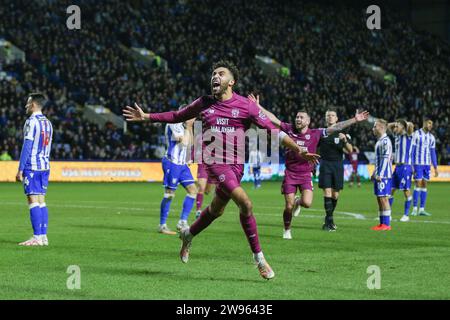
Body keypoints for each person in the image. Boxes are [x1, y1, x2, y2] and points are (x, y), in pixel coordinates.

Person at [123, 60, 320, 280]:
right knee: (246, 203)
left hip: (237, 166)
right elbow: (177, 116)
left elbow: (273, 131)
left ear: (231, 81)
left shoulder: (246, 106)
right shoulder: (204, 102)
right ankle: (259, 259)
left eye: (220, 73)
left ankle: (188, 234)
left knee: (216, 210)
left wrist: (298, 150)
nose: (215, 76)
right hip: (215, 161)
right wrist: (147, 117)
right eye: (213, 73)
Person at [249, 95, 369, 239]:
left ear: (308, 121)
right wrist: (258, 106)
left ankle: (298, 202)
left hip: (306, 174)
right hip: (290, 173)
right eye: (297, 117)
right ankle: (287, 229)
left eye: (301, 117)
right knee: (288, 206)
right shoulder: (289, 129)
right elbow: (272, 119)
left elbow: (336, 127)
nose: (298, 119)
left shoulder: (315, 133)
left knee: (307, 203)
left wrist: (354, 120)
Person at [16, 93, 53, 246]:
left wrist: (20, 168)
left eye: (28, 102)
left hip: (32, 165)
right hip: (45, 165)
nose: (26, 105)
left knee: (32, 200)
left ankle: (37, 237)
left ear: (33, 104)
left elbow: (27, 145)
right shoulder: (48, 123)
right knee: (41, 201)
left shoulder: (31, 122)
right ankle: (43, 236)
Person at [158, 110, 197, 235]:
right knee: (169, 194)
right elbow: (183, 142)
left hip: (182, 165)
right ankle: (162, 225)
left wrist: (189, 128)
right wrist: (189, 126)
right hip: (172, 162)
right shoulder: (173, 123)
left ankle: (182, 222)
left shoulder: (185, 126)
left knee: (193, 190)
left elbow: (190, 144)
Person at [318, 109, 354, 232]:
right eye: (328, 115)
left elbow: (350, 150)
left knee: (335, 194)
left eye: (332, 115)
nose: (330, 117)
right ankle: (329, 222)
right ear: (325, 118)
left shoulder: (342, 133)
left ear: (337, 118)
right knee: (327, 192)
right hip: (325, 165)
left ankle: (328, 219)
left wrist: (344, 140)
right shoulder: (321, 133)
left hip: (338, 166)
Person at [387, 119, 414, 222]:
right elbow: (387, 126)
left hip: (405, 167)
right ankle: (388, 214)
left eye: (397, 127)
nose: (395, 128)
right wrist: (396, 123)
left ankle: (406, 215)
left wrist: (404, 123)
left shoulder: (408, 135)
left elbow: (411, 125)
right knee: (390, 190)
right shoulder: (397, 136)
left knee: (406, 191)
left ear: (403, 127)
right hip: (397, 167)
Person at [411, 119, 439, 216]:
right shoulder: (416, 134)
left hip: (427, 164)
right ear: (424, 123)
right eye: (429, 123)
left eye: (432, 124)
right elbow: (413, 151)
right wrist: (412, 165)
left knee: (424, 185)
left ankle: (421, 209)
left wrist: (435, 167)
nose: (430, 125)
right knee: (418, 184)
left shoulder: (431, 137)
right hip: (418, 163)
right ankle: (414, 208)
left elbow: (432, 152)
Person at [371, 119, 393, 231]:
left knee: (384, 199)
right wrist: (374, 172)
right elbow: (378, 161)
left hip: (384, 175)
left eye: (375, 126)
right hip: (379, 174)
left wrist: (380, 174)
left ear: (381, 127)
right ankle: (381, 223)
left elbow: (386, 159)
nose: (373, 128)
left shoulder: (385, 141)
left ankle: (387, 224)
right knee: (379, 199)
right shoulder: (380, 141)